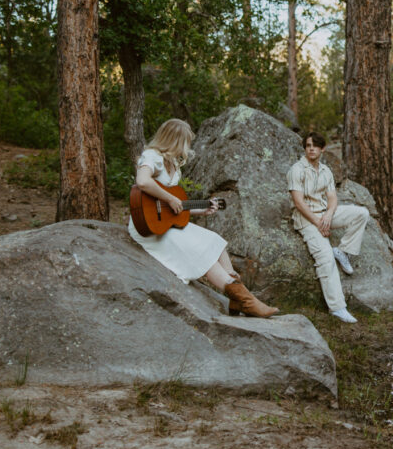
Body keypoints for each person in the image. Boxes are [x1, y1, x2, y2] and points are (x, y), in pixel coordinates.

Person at [129, 119, 277, 318]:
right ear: (175, 140)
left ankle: (239, 299)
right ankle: (246, 301)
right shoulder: (151, 156)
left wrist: (201, 211)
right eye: (186, 142)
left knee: (216, 243)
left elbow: (171, 209)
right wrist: (171, 197)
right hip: (148, 228)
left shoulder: (173, 164)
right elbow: (143, 182)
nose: (188, 147)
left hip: (165, 224)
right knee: (200, 253)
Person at [287, 131, 370, 323]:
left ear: (322, 149)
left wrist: (328, 216)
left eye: (315, 146)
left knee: (361, 213)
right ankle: (337, 308)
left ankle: (343, 251)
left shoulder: (325, 170)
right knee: (325, 258)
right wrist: (318, 223)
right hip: (306, 219)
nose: (311, 149)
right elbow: (298, 203)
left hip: (324, 214)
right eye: (308, 146)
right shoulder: (297, 170)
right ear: (305, 148)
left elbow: (332, 198)